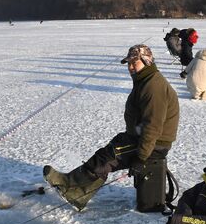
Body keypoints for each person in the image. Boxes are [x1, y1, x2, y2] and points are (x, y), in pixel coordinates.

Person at [43, 44, 180, 211]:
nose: (130, 67)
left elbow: (153, 127)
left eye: (134, 63)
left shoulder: (153, 86)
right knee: (110, 149)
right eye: (128, 63)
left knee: (108, 156)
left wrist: (141, 158)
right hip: (141, 137)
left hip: (155, 143)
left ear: (146, 61)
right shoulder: (145, 80)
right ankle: (76, 188)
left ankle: (74, 190)